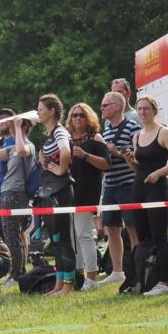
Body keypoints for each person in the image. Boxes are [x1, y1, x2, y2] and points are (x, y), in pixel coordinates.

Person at [120, 96, 168, 296]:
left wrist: (160, 173)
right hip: (139, 188)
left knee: (159, 237)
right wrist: (129, 160)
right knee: (143, 237)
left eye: (146, 109)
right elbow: (138, 167)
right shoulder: (137, 135)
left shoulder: (164, 132)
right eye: (139, 109)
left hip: (157, 189)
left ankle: (164, 282)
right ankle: (148, 278)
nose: (142, 112)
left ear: (154, 110)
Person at [0, 114, 36, 284]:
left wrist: (18, 128)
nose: (10, 128)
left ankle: (17, 273)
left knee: (13, 236)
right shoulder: (11, 148)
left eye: (14, 126)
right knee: (10, 236)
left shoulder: (27, 146)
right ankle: (18, 272)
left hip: (17, 193)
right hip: (6, 192)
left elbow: (22, 151)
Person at [98, 91, 142, 285]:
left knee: (133, 227)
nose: (101, 109)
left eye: (104, 105)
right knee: (111, 228)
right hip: (109, 185)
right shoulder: (105, 131)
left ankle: (137, 266)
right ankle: (117, 271)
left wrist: (116, 152)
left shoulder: (133, 127)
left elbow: (137, 157)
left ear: (117, 106)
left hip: (127, 184)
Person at [66, 103, 110, 289]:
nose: (77, 118)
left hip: (87, 193)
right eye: (74, 115)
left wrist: (85, 155)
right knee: (73, 237)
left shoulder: (95, 138)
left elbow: (106, 164)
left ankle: (92, 279)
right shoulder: (66, 139)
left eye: (81, 115)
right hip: (68, 193)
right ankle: (78, 275)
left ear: (89, 118)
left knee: (84, 235)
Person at [36, 94, 76, 295]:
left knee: (63, 238)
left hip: (60, 191)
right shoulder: (48, 134)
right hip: (49, 191)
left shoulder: (60, 131)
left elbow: (66, 151)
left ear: (52, 111)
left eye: (41, 109)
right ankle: (58, 284)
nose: (38, 112)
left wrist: (60, 170)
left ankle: (69, 284)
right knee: (55, 239)